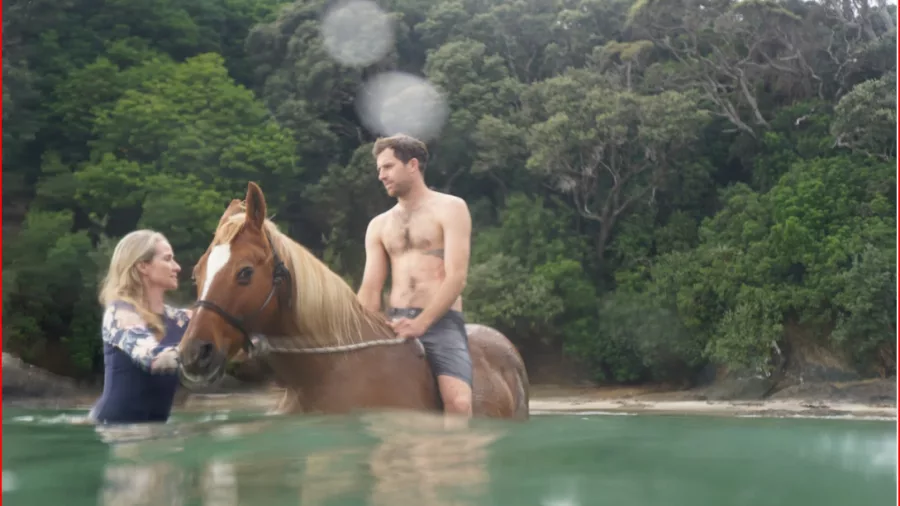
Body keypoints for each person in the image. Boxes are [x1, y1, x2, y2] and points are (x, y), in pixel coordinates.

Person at [356, 133, 474, 419]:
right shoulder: (378, 225)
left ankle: (454, 461)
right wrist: (358, 327)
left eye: (388, 167)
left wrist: (421, 323)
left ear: (412, 165)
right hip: (391, 322)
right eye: (379, 169)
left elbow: (457, 277)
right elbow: (370, 290)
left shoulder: (451, 208)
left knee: (458, 402)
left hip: (439, 322)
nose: (381, 175)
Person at [88, 230, 192, 425]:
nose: (177, 267)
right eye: (168, 259)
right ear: (143, 266)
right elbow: (153, 357)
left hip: (155, 431)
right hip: (114, 430)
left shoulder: (179, 319)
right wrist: (192, 351)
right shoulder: (119, 314)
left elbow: (229, 342)